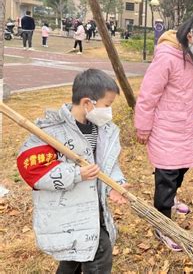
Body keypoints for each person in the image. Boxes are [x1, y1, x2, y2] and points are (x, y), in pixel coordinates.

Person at [16, 69, 128, 274]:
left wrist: (115, 185)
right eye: (107, 105)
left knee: (73, 257)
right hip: (69, 213)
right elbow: (34, 171)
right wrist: (76, 174)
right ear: (88, 103)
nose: (109, 111)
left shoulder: (101, 130)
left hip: (95, 210)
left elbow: (108, 164)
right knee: (98, 251)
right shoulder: (51, 132)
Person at [134, 9, 193, 251]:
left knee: (180, 171)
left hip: (188, 128)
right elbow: (149, 93)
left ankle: (171, 200)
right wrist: (142, 126)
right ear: (190, 36)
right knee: (166, 180)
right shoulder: (167, 56)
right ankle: (163, 228)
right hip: (166, 128)